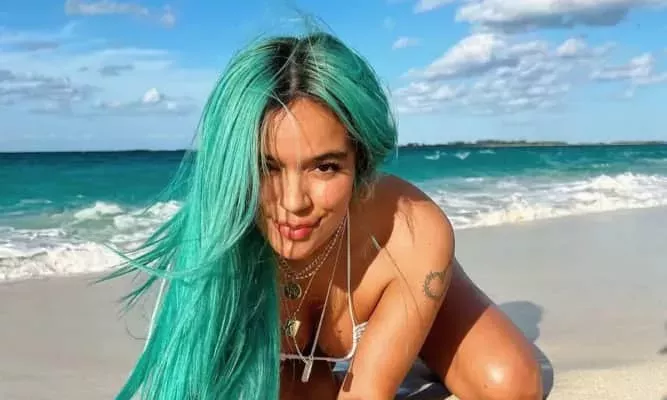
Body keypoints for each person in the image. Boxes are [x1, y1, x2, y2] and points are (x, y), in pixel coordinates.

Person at [103, 30, 543, 400]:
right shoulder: (213, 245)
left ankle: (413, 322)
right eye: (267, 167)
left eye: (325, 167)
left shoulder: (409, 230)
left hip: (405, 272)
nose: (294, 202)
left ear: (360, 160)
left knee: (511, 385)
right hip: (294, 347)